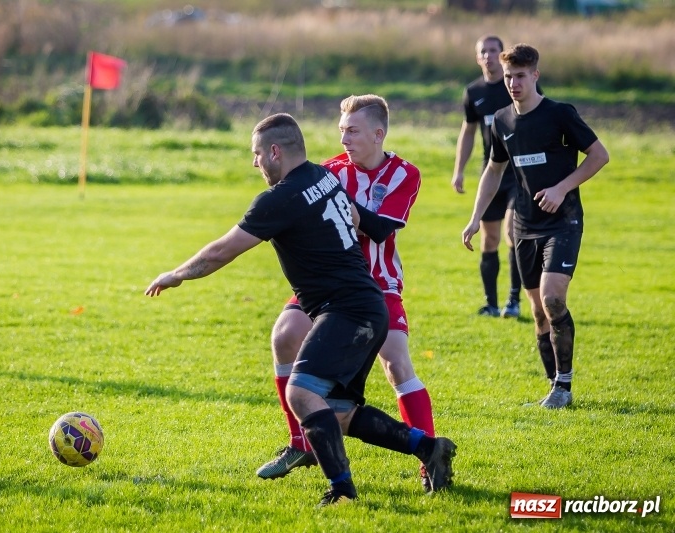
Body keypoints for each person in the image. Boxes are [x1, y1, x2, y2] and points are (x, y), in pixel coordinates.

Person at [147, 113, 456, 506]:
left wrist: (177, 274)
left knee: (302, 392)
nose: (255, 163)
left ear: (275, 151)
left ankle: (342, 490)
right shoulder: (322, 176)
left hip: (347, 310)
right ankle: (428, 448)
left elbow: (223, 250)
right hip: (365, 305)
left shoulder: (281, 198)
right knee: (339, 412)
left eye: (257, 154)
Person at [256, 95, 437, 493]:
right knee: (284, 335)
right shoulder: (330, 171)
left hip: (378, 284)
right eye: (341, 131)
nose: (345, 140)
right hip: (330, 285)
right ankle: (301, 443)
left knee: (397, 364)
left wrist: (342, 205)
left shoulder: (405, 173)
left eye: (352, 131)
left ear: (378, 133)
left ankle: (430, 461)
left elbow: (381, 228)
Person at [461, 44, 609, 409]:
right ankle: (553, 387)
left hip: (564, 220)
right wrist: (476, 217)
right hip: (524, 226)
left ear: (535, 75)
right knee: (539, 313)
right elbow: (493, 171)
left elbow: (599, 155)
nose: (513, 83)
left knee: (553, 297)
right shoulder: (502, 121)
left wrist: (562, 188)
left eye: (520, 76)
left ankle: (564, 387)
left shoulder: (559, 114)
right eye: (509, 76)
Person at [452, 35, 523, 319]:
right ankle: (491, 304)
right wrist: (459, 170)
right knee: (489, 238)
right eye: (484, 51)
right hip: (492, 171)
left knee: (511, 232)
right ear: (477, 57)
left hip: (519, 174)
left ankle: (514, 301)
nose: (489, 55)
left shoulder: (516, 85)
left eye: (494, 50)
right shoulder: (473, 91)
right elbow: (468, 131)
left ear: (502, 54)